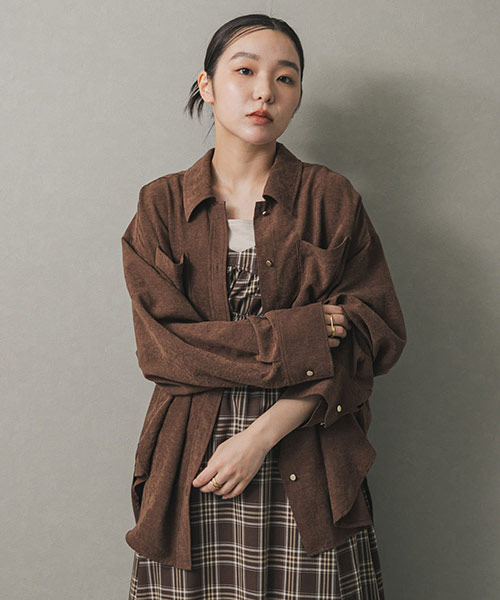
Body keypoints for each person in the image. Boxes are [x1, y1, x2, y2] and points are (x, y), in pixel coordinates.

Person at [124, 12, 406, 600]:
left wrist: (259, 437)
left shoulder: (331, 198)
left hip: (311, 453)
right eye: (245, 71)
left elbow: (372, 337)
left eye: (285, 78)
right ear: (207, 85)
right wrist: (302, 334)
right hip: (193, 462)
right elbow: (164, 349)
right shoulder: (159, 206)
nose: (264, 92)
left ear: (298, 95)